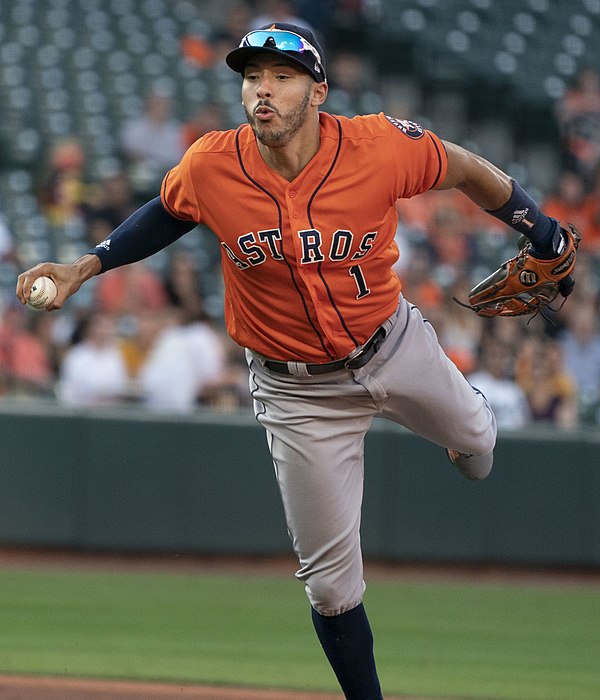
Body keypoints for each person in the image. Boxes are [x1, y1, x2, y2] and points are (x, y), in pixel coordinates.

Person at [16, 23, 575, 699]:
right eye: (252, 77)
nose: (263, 91)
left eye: (281, 77)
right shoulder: (212, 164)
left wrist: (536, 225)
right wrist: (87, 264)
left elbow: (460, 166)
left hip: (393, 344)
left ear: (318, 90)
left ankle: (465, 429)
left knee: (479, 444)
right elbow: (167, 211)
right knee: (331, 586)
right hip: (297, 394)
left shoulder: (377, 146)